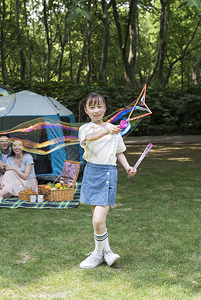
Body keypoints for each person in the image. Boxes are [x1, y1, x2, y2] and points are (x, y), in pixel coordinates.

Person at [78, 92, 136, 269]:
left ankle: (97, 254)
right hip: (91, 172)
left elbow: (119, 152)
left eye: (100, 106)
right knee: (97, 219)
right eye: (92, 107)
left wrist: (127, 167)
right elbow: (88, 139)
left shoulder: (114, 131)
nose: (96, 110)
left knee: (98, 220)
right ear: (86, 110)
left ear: (105, 108)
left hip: (107, 175)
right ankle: (107, 252)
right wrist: (107, 129)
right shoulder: (86, 129)